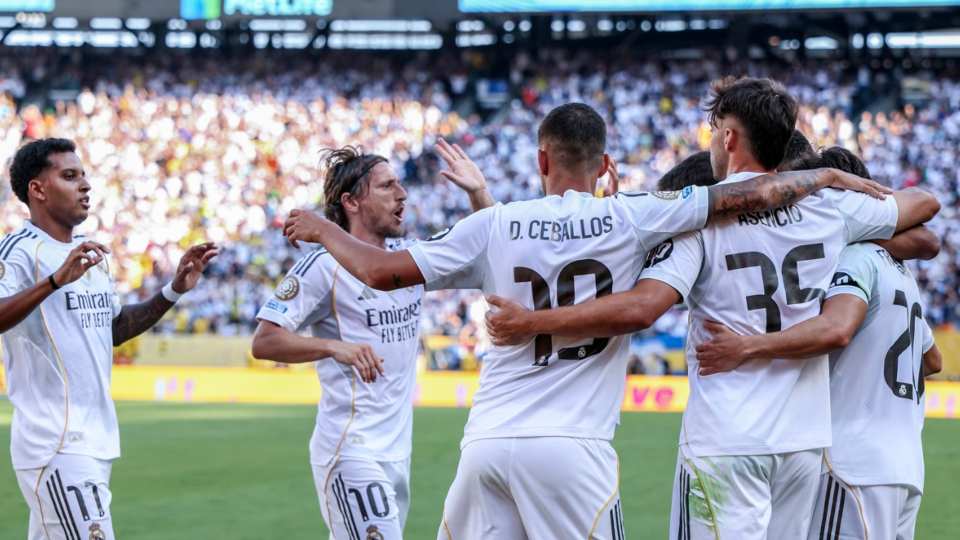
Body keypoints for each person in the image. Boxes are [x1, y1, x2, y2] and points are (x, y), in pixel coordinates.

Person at [280, 101, 891, 539]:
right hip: (573, 450)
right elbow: (746, 195)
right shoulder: (632, 215)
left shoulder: (494, 224)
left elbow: (380, 271)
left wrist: (323, 228)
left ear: (541, 158)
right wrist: (824, 176)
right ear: (604, 165)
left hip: (486, 446)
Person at [483, 79, 941, 540]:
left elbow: (643, 307)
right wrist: (841, 196)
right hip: (803, 445)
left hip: (726, 438)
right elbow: (925, 206)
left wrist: (532, 320)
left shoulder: (703, 219)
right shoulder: (830, 209)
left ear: (728, 137)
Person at [250, 140, 492, 539]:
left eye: (399, 183)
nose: (402, 193)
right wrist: (333, 347)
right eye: (386, 186)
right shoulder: (322, 266)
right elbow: (264, 341)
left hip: (396, 452)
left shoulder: (407, 260)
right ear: (351, 202)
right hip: (351, 448)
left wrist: (478, 192)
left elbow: (489, 255)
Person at [696, 152, 942, 540]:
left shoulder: (851, 259)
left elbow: (836, 329)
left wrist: (748, 347)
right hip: (906, 468)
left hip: (852, 463)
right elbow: (932, 359)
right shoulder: (899, 271)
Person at [0, 138, 218, 540]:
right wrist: (53, 282)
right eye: (70, 176)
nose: (85, 185)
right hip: (56, 442)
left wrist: (172, 290)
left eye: (84, 175)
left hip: (95, 441)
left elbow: (114, 328)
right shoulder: (18, 251)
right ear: (38, 189)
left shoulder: (91, 256)